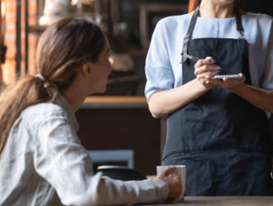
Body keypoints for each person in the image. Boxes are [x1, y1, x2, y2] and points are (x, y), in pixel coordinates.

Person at [145, 0, 273, 196]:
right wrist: (201, 84)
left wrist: (240, 88)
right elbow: (156, 106)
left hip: (250, 163)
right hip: (187, 164)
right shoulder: (170, 28)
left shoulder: (263, 26)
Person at [0, 18, 182, 206]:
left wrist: (154, 184)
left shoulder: (45, 113)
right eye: (106, 57)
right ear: (87, 69)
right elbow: (87, 192)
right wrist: (160, 188)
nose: (110, 66)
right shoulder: (48, 118)